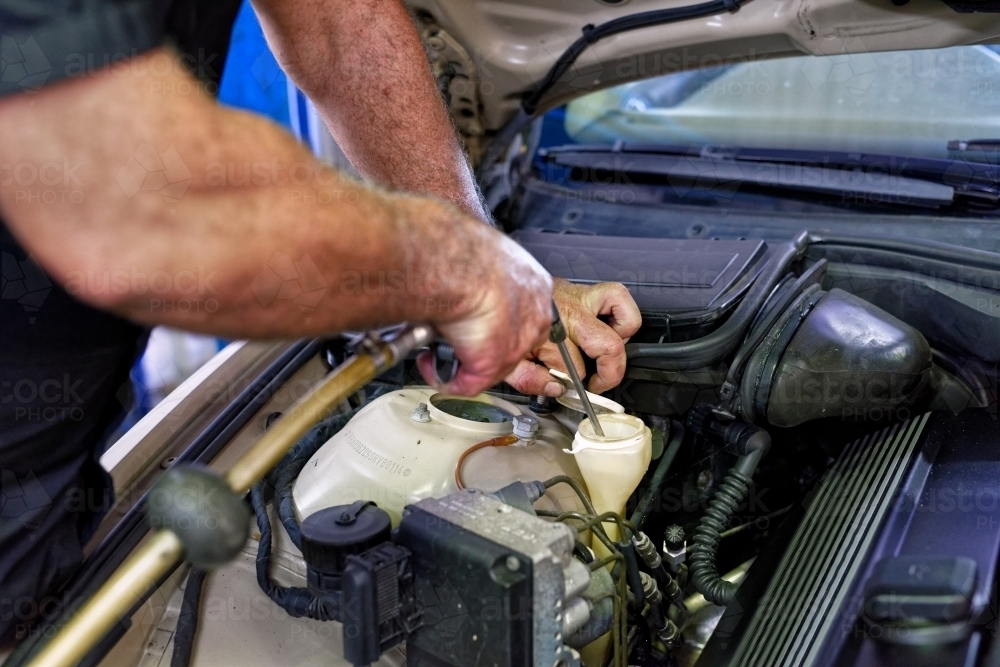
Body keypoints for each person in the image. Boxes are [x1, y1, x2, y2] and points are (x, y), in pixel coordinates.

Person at [0, 0, 641, 641]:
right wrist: (462, 268)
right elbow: (131, 200)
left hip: (47, 488)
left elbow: (340, 24)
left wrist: (481, 250)